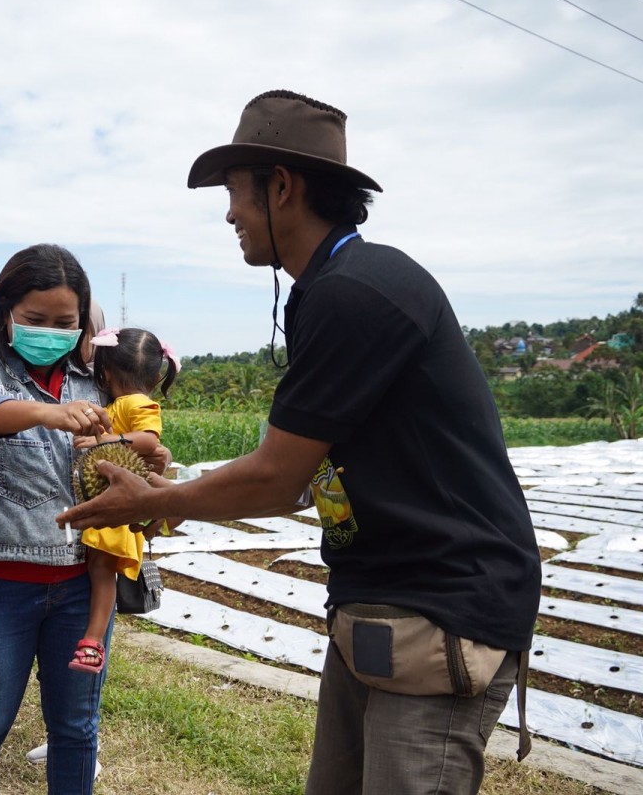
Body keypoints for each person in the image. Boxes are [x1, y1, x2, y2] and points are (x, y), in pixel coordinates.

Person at [58, 90, 542, 795]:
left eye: (235, 193)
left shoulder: (357, 292)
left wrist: (155, 500)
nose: (230, 214)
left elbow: (278, 477)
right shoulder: (328, 290)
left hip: (440, 607)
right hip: (379, 598)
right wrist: (171, 490)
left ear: (282, 187)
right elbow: (298, 465)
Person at [0, 244, 112, 794]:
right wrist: (46, 413)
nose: (51, 333)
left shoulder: (94, 382)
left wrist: (143, 456)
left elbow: (124, 455)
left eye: (65, 323)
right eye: (36, 319)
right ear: (6, 312)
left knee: (76, 730)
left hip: (82, 586)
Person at [67, 328, 179, 675]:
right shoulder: (116, 405)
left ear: (106, 372)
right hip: (112, 497)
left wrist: (104, 441)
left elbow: (148, 440)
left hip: (119, 503)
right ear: (157, 375)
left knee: (102, 572)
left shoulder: (136, 403)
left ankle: (92, 642)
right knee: (98, 570)